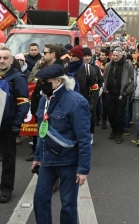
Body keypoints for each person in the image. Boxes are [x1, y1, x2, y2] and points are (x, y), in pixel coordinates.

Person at [32, 64, 92, 224]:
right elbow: (41, 133)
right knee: (39, 200)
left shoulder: (77, 102)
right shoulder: (43, 101)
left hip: (68, 163)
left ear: (58, 81)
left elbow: (84, 138)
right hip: (47, 161)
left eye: (45, 81)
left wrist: (83, 169)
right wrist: (37, 156)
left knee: (68, 206)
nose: (41, 84)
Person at [0, 46, 29, 203]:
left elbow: (23, 103)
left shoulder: (18, 78)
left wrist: (17, 123)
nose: (2, 61)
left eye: (5, 58)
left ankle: (6, 189)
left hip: (8, 125)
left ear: (12, 60)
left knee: (8, 159)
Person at [65, 46, 99, 143]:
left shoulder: (88, 69)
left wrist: (92, 105)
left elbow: (94, 89)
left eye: (74, 56)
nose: (71, 57)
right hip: (68, 102)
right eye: (70, 55)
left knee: (83, 124)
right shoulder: (66, 68)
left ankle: (88, 137)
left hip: (83, 101)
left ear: (79, 57)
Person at [102, 48, 135, 145]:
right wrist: (105, 89)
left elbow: (133, 80)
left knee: (120, 115)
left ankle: (119, 133)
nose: (115, 57)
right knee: (110, 114)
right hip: (110, 93)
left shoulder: (128, 66)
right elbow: (104, 78)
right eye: (114, 55)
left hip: (121, 94)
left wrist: (127, 91)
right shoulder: (109, 65)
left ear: (121, 56)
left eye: (117, 55)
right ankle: (114, 129)